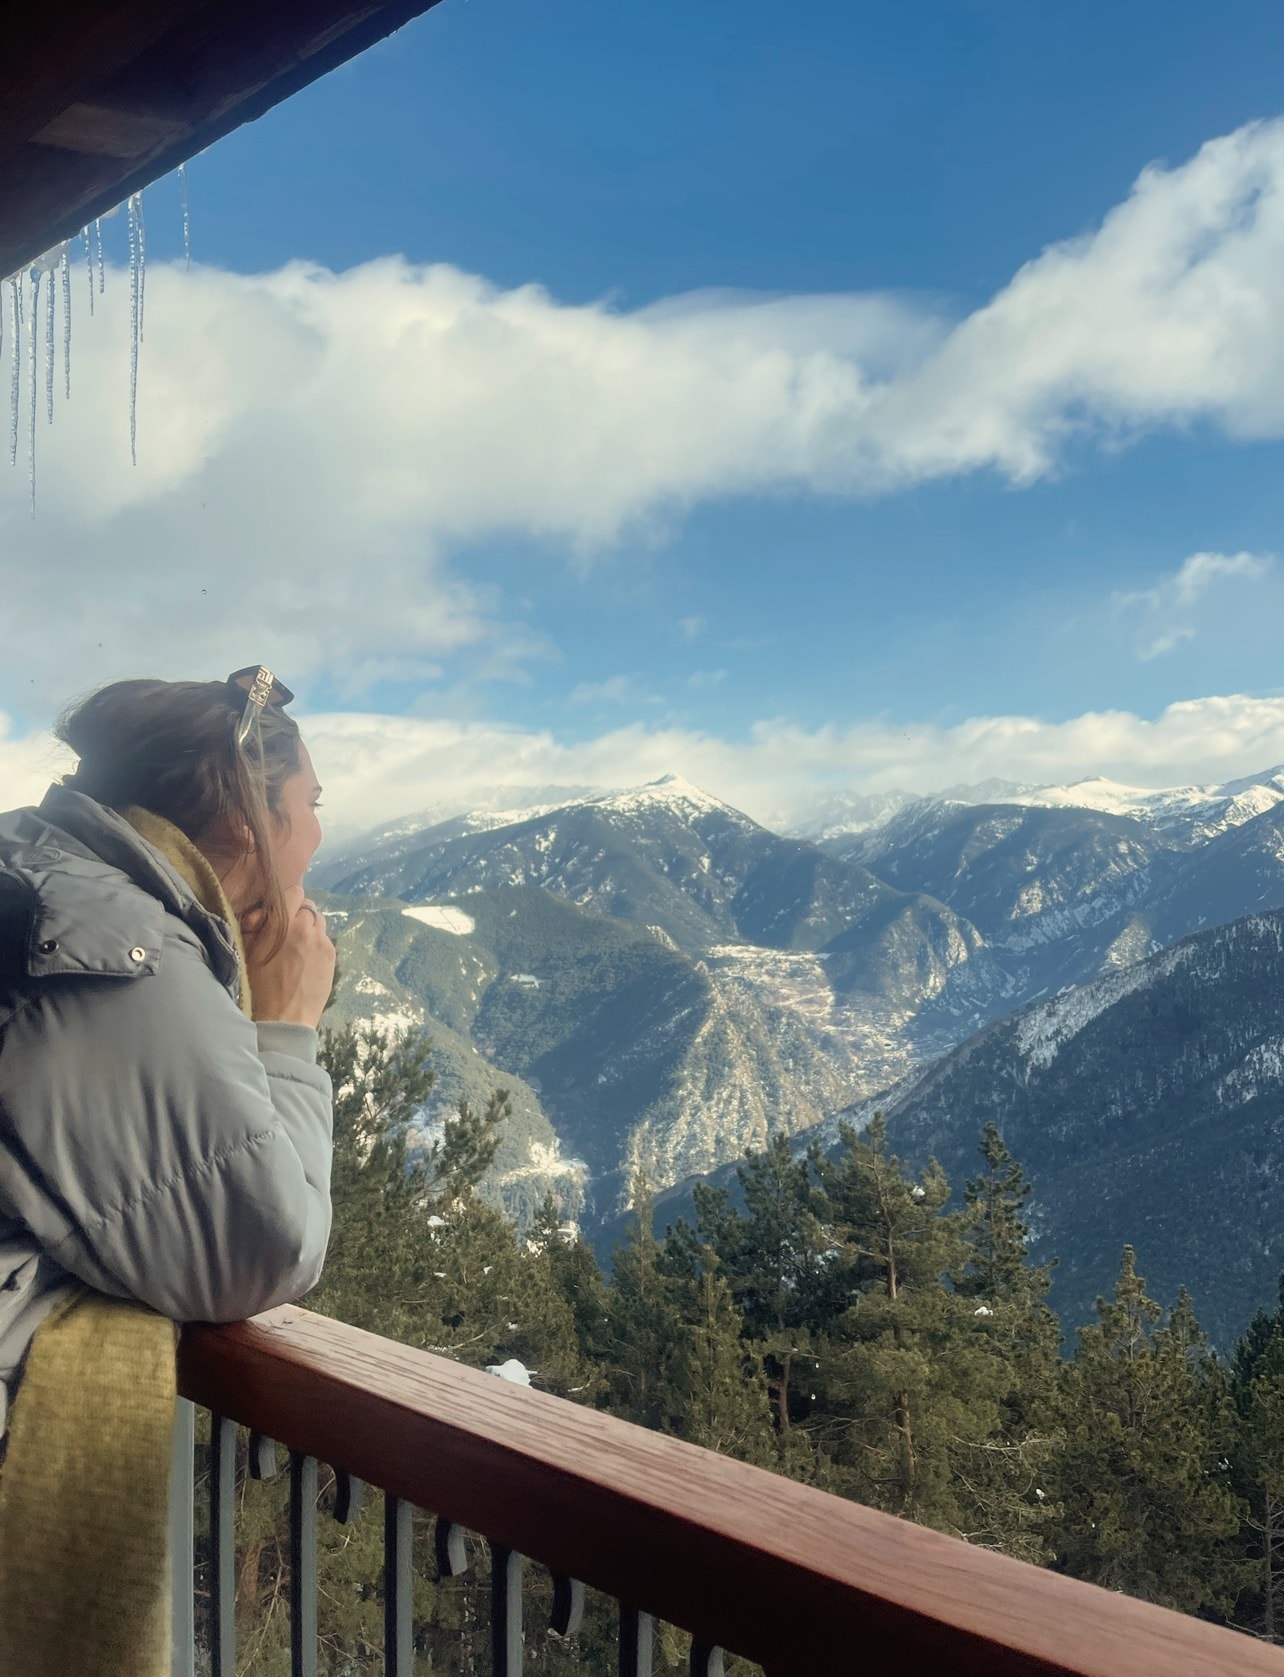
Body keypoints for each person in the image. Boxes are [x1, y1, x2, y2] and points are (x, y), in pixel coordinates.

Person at [0, 667, 337, 1677]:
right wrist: (285, 1028)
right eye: (309, 806)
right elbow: (259, 1249)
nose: (318, 834)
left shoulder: (44, 872)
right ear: (243, 822)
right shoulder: (121, 954)